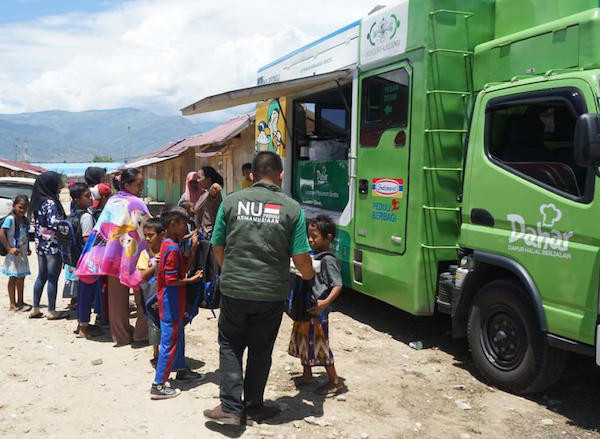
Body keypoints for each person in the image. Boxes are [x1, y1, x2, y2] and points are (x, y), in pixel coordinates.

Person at [204, 151, 315, 425]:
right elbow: (301, 258)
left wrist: (229, 270)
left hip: (234, 289)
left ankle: (230, 407)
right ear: (281, 175)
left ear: (252, 175)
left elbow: (217, 246)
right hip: (271, 293)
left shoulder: (231, 202)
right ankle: (253, 406)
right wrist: (310, 277)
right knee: (260, 349)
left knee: (230, 344)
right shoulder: (292, 209)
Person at [76, 168, 150, 346]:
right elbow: (147, 230)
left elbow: (102, 229)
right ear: (126, 185)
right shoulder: (136, 204)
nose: (141, 188)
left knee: (116, 299)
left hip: (113, 257)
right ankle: (141, 334)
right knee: (142, 295)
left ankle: (121, 336)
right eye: (138, 185)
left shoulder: (111, 202)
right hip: (136, 256)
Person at [151, 207, 204, 400]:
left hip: (172, 301)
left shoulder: (168, 243)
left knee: (175, 337)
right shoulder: (172, 249)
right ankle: (158, 384)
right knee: (169, 343)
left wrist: (193, 247)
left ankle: (181, 371)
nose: (185, 228)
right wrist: (192, 280)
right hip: (170, 302)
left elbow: (181, 270)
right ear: (173, 225)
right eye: (182, 224)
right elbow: (173, 279)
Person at [288, 215, 344, 395]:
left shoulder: (328, 260)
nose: (311, 240)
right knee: (304, 341)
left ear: (328, 238)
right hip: (305, 307)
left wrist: (325, 303)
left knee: (320, 345)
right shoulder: (311, 255)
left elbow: (337, 285)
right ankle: (307, 374)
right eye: (309, 236)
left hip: (317, 312)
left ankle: (334, 381)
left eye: (315, 237)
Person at [29, 171, 67, 320]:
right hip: (53, 245)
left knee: (41, 276)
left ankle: (35, 307)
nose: (60, 187)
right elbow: (54, 223)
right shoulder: (51, 202)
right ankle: (52, 310)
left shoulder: (39, 201)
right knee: (52, 278)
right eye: (58, 184)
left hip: (41, 246)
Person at [63, 183, 95, 311]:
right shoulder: (86, 216)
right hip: (85, 258)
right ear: (77, 199)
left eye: (91, 195)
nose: (91, 198)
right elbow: (87, 239)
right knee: (85, 291)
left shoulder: (74, 214)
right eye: (87, 196)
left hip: (76, 257)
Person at [137, 217, 164, 367]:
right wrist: (156, 264)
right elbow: (142, 275)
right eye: (145, 235)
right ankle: (156, 353)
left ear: (162, 235)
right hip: (150, 295)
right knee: (153, 324)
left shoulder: (168, 250)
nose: (147, 238)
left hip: (165, 294)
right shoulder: (145, 254)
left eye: (151, 235)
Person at [0, 195, 32, 311]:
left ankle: (20, 301)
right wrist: (8, 248)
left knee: (21, 277)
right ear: (14, 206)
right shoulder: (10, 219)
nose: (22, 210)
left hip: (21, 254)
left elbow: (25, 236)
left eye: (25, 208)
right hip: (13, 254)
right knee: (13, 277)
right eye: (20, 207)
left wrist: (27, 248)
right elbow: (2, 233)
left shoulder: (24, 220)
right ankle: (12, 303)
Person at [194, 166, 224, 240]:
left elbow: (216, 187)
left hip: (210, 235)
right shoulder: (204, 193)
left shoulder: (212, 192)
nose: (197, 181)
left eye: (199, 177)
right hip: (203, 234)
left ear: (208, 179)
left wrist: (215, 185)